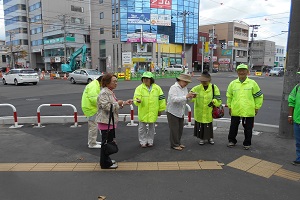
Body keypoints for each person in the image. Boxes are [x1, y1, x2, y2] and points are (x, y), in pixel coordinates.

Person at [95, 73, 132, 169]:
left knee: (108, 142)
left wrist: (124, 103)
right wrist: (118, 103)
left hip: (109, 121)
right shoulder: (104, 93)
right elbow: (107, 106)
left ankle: (106, 160)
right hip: (105, 122)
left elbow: (113, 104)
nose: (116, 83)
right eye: (114, 81)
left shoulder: (109, 91)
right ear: (107, 82)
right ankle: (105, 163)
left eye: (116, 81)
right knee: (106, 143)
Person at [226, 64, 264, 150]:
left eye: (244, 70)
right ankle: (232, 140)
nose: (241, 72)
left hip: (248, 109)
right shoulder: (233, 83)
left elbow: (259, 96)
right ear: (237, 72)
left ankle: (247, 143)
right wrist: (230, 107)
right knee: (233, 126)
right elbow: (229, 96)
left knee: (248, 128)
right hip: (236, 109)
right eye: (239, 70)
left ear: (247, 72)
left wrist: (257, 107)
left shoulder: (252, 83)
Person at [133, 71, 166, 148]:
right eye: (144, 78)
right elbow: (136, 98)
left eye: (147, 78)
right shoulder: (139, 88)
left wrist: (160, 110)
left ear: (151, 79)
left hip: (153, 110)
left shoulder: (157, 88)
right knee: (142, 127)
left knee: (152, 127)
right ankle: (143, 141)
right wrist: (138, 101)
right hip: (143, 110)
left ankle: (150, 141)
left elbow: (162, 100)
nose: (145, 80)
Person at [190, 71, 222, 145]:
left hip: (209, 111)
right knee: (200, 125)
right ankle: (202, 138)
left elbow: (219, 101)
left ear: (209, 80)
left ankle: (210, 138)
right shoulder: (196, 88)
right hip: (199, 111)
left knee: (208, 125)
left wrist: (214, 101)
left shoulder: (214, 88)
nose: (203, 82)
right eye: (202, 81)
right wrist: (192, 97)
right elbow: (190, 99)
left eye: (205, 81)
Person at [166, 73, 196, 151]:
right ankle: (174, 144)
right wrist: (186, 96)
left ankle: (178, 142)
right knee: (174, 129)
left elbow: (185, 99)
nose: (186, 84)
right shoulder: (174, 88)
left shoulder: (184, 88)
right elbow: (174, 99)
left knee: (180, 129)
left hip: (181, 111)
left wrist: (190, 97)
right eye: (185, 82)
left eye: (187, 82)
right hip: (172, 111)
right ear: (180, 80)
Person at [81, 75, 103, 149]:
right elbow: (93, 99)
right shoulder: (94, 86)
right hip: (90, 108)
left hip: (90, 107)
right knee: (93, 126)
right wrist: (102, 104)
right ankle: (92, 143)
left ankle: (93, 141)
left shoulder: (94, 84)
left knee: (94, 125)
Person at [288, 75, 300, 166]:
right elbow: (291, 102)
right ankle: (299, 158)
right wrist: (290, 115)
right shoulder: (297, 88)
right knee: (298, 142)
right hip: (297, 120)